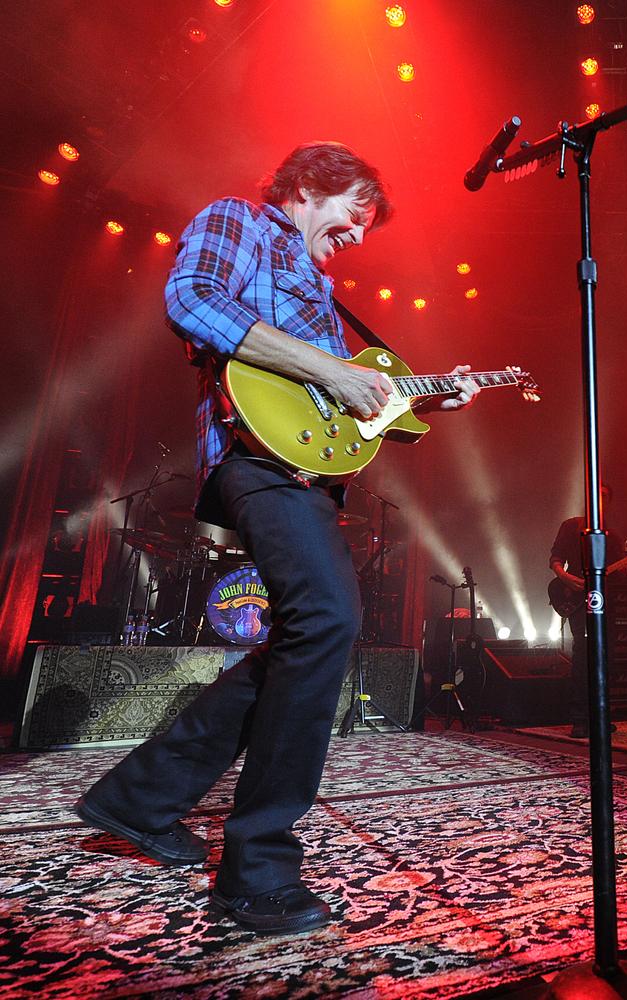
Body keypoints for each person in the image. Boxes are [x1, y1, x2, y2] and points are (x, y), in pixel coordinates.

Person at [75, 142, 481, 935]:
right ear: (304, 187)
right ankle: (255, 870)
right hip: (250, 458)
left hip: (304, 470)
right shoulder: (240, 222)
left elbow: (356, 408)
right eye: (355, 210)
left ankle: (140, 798)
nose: (362, 232)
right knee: (328, 619)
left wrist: (427, 398)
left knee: (307, 632)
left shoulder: (327, 294)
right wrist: (330, 370)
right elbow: (192, 299)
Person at [549, 484, 625, 739]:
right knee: (582, 655)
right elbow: (555, 558)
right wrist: (565, 577)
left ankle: (601, 716)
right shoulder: (571, 526)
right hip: (579, 601)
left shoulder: (611, 536)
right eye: (595, 495)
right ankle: (579, 719)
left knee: (606, 657)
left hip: (604, 602)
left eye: (604, 496)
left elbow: (615, 571)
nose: (598, 499)